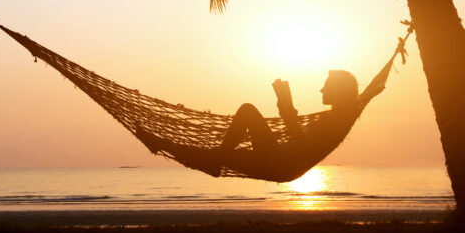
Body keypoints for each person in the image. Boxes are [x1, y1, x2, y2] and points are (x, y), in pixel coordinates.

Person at [136, 70, 362, 182]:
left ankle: (163, 144)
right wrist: (285, 107)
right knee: (214, 154)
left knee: (246, 112)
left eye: (326, 86)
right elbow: (300, 139)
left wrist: (288, 107)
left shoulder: (334, 121)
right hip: (281, 158)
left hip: (281, 163)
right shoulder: (337, 117)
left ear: (339, 90)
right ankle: (159, 143)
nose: (321, 90)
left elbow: (301, 140)